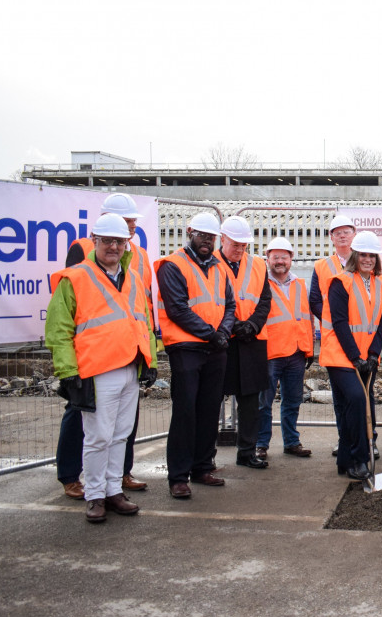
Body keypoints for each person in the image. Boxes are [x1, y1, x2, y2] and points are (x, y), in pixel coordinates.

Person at [45, 213, 157, 522]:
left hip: (129, 368)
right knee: (98, 437)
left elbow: (143, 323)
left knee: (120, 434)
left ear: (126, 245)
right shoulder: (76, 277)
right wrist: (68, 373)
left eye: (119, 241)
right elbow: (58, 330)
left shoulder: (132, 277)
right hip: (96, 371)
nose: (113, 247)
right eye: (107, 240)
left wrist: (150, 360)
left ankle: (113, 491)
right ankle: (94, 496)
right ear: (94, 240)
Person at [155, 212, 236, 498]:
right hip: (187, 349)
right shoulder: (172, 265)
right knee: (185, 412)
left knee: (209, 410)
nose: (206, 241)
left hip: (215, 348)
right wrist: (211, 334)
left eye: (211, 237)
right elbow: (177, 309)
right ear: (190, 232)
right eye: (202, 235)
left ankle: (202, 466)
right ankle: (178, 476)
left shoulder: (220, 268)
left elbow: (229, 305)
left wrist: (223, 333)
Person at [322, 231, 382, 480]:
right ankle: (359, 458)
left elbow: (380, 323)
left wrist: (373, 354)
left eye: (372, 255)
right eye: (363, 254)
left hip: (364, 357)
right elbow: (339, 323)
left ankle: (345, 460)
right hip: (340, 355)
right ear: (355, 255)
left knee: (352, 405)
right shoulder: (341, 282)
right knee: (357, 400)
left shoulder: (381, 284)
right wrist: (355, 357)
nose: (368, 259)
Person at [216, 216, 271, 470]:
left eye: (243, 246)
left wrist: (252, 325)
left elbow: (264, 300)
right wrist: (232, 326)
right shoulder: (210, 264)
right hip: (221, 341)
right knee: (212, 398)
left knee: (250, 402)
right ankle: (205, 457)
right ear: (222, 239)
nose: (239, 250)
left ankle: (247, 452)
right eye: (235, 244)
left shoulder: (258, 264)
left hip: (251, 340)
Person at [309, 215, 365, 457]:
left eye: (347, 231)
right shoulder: (322, 266)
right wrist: (333, 321)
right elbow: (314, 300)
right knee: (341, 398)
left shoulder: (364, 260)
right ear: (331, 237)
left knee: (363, 396)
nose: (342, 236)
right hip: (334, 341)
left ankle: (366, 440)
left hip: (360, 340)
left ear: (354, 234)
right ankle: (345, 441)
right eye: (337, 232)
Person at [257, 237, 314, 460]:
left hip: (297, 352)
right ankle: (261, 444)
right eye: (275, 257)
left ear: (291, 259)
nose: (280, 261)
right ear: (268, 259)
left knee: (293, 401)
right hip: (270, 353)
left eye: (284, 257)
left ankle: (292, 442)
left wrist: (308, 349)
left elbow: (306, 316)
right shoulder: (261, 283)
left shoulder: (299, 283)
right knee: (264, 403)